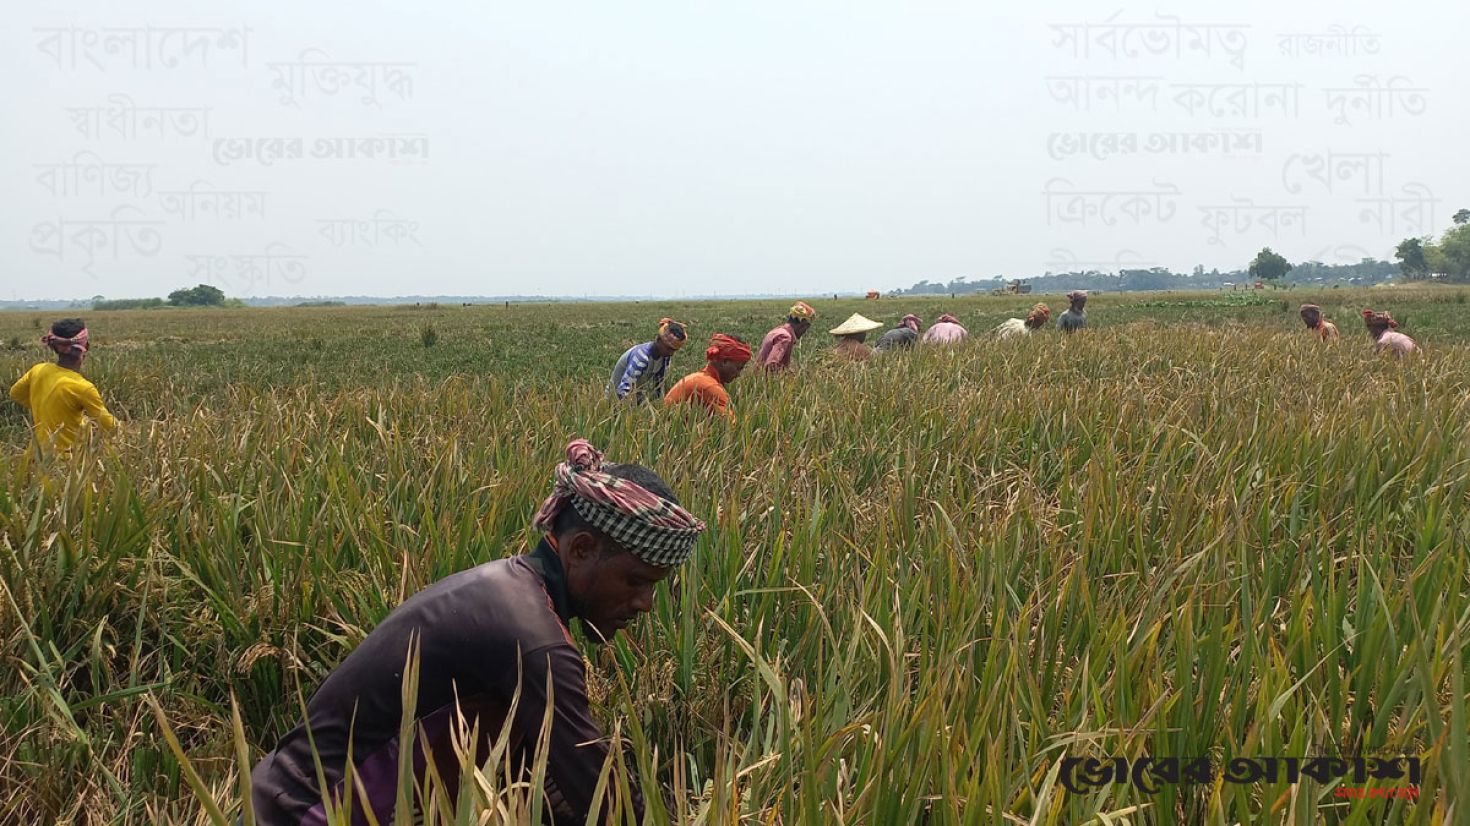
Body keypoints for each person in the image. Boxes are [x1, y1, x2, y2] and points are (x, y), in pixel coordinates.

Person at [250, 439, 706, 825]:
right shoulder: (533, 638)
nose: (645, 603)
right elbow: (600, 800)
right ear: (582, 549)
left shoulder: (507, 588)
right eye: (637, 581)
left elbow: (546, 774)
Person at [9, 318, 117, 455]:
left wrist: (46, 409)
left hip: (35, 455)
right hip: (66, 464)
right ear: (86, 346)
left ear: (53, 347)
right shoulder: (83, 388)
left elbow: (15, 393)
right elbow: (110, 427)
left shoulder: (38, 370)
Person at [663, 333, 751, 420]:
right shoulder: (709, 387)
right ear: (724, 361)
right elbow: (733, 426)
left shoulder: (700, 378)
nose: (739, 374)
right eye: (738, 368)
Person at [607, 318, 687, 402]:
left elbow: (659, 386)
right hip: (615, 398)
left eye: (674, 350)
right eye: (668, 349)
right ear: (658, 340)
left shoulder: (665, 358)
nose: (671, 353)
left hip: (635, 397)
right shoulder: (641, 357)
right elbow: (623, 390)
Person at [755, 301, 817, 373]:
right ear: (802, 324)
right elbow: (771, 364)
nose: (804, 332)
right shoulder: (785, 337)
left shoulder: (776, 331)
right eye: (806, 328)